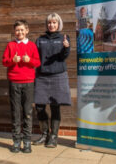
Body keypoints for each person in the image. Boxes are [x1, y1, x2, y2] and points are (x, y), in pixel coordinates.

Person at [33, 13, 71, 148]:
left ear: (58, 24)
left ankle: (54, 136)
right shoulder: (40, 39)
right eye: (49, 23)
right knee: (39, 106)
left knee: (55, 106)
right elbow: (35, 56)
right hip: (42, 76)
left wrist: (66, 47)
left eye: (54, 22)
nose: (51, 25)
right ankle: (44, 134)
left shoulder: (64, 38)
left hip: (58, 75)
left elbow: (64, 56)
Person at [2, 20, 40, 153]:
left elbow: (37, 62)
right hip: (14, 82)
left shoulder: (32, 45)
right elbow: (4, 62)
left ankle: (27, 141)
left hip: (28, 82)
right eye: (17, 30)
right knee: (15, 112)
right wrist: (13, 60)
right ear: (14, 31)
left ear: (27, 30)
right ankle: (16, 141)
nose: (20, 32)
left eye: (22, 30)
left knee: (28, 112)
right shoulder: (10, 45)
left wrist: (29, 60)